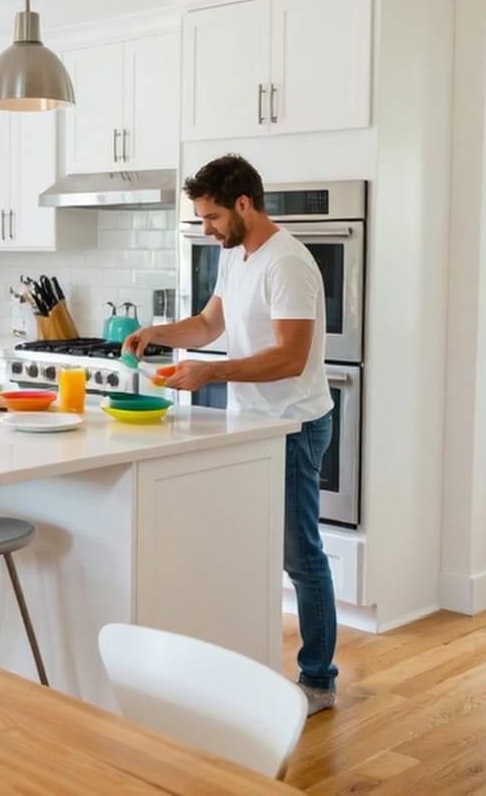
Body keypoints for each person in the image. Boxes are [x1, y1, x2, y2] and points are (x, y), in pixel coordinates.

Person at [122, 153, 338, 715]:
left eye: (213, 216)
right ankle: (251, 667)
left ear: (244, 204)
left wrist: (212, 373)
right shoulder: (236, 255)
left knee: (300, 557)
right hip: (252, 425)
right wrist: (156, 333)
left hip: (293, 424)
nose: (207, 229)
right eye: (202, 218)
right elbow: (208, 325)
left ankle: (318, 680)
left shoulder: (287, 263)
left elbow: (290, 357)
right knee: (250, 548)